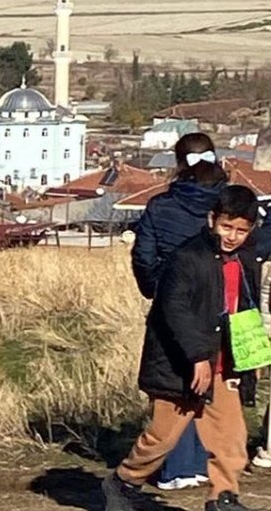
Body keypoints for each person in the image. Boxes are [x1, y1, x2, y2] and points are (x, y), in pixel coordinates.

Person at [103, 185, 263, 511]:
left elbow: (244, 309)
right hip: (181, 364)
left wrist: (252, 355)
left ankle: (223, 497)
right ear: (211, 219)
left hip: (224, 363)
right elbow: (173, 310)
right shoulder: (187, 258)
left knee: (231, 439)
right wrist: (197, 357)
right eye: (226, 226)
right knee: (162, 438)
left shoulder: (246, 259)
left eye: (241, 230)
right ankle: (122, 482)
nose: (232, 236)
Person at [131, 132, 226, 486]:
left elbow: (143, 254)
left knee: (174, 386)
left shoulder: (161, 206)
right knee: (216, 382)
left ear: (177, 163)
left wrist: (156, 288)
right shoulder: (225, 204)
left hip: (174, 302)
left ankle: (176, 466)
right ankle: (207, 462)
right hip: (219, 302)